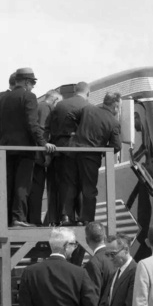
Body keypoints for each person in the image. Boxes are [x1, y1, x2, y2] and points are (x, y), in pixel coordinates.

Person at [0, 68, 56, 227]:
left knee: (8, 185)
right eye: (33, 83)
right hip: (25, 150)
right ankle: (19, 219)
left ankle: (6, 220)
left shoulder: (3, 98)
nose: (33, 87)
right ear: (27, 82)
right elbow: (32, 124)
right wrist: (44, 143)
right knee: (22, 185)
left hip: (6, 148)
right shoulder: (29, 96)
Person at [68, 92, 122, 224]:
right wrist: (102, 151)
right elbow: (117, 146)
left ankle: (67, 217)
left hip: (72, 152)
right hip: (91, 157)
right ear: (115, 105)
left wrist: (74, 133)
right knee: (89, 189)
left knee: (71, 185)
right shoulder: (113, 122)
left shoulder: (88, 109)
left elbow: (70, 115)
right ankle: (87, 219)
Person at [47, 81, 91, 223]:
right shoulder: (87, 107)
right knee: (81, 183)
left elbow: (52, 127)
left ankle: (65, 215)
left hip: (59, 149)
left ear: (74, 91)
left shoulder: (59, 105)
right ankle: (81, 216)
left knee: (65, 183)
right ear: (88, 93)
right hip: (79, 150)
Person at [29, 90, 63, 225]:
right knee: (36, 190)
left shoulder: (39, 107)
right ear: (54, 100)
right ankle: (35, 221)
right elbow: (43, 131)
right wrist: (47, 155)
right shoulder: (46, 107)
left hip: (34, 155)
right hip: (38, 157)